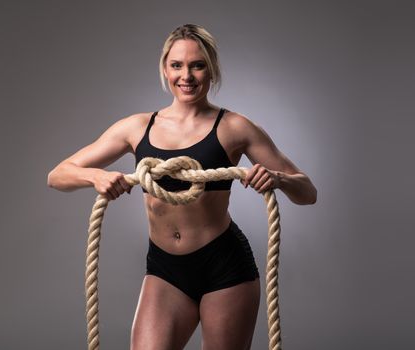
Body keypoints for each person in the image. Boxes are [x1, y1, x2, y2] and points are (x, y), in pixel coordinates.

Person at [47, 23, 317, 350]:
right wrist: (96, 177)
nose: (186, 75)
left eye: (197, 65)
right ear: (165, 69)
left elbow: (307, 192)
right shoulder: (137, 127)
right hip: (165, 270)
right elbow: (58, 175)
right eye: (177, 65)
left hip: (225, 268)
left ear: (212, 70)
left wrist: (278, 179)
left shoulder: (234, 127)